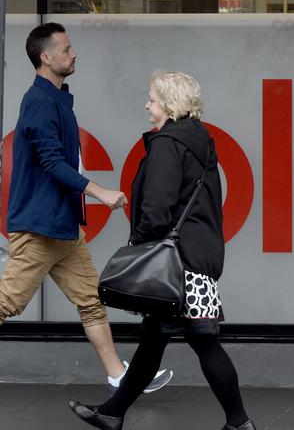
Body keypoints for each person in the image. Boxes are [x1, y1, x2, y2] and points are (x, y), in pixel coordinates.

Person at [69, 70, 256, 430]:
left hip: (178, 263)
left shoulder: (169, 144)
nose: (146, 104)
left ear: (169, 104)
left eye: (152, 98)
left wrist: (140, 241)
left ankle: (239, 422)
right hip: (191, 256)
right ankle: (112, 412)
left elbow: (157, 208)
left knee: (203, 339)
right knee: (155, 340)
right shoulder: (197, 140)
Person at [0, 22, 172, 393]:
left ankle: (119, 375)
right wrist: (100, 192)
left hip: (63, 227)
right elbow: (52, 162)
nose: (73, 53)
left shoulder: (59, 98)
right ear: (46, 58)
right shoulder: (40, 103)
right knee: (7, 304)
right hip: (40, 227)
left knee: (91, 302)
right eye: (66, 49)